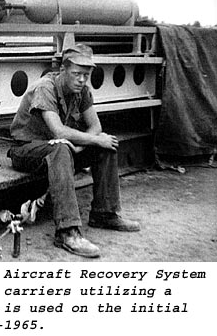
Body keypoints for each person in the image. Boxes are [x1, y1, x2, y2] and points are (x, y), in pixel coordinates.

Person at [8, 44, 140, 258]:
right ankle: (67, 231)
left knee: (107, 144)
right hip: (27, 150)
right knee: (66, 147)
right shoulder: (45, 87)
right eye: (77, 74)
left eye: (86, 75)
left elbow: (96, 126)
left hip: (61, 149)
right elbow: (59, 131)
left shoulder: (82, 91)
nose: (81, 80)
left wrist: (82, 145)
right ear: (63, 69)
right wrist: (91, 140)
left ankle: (104, 213)